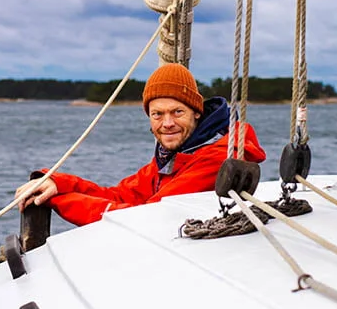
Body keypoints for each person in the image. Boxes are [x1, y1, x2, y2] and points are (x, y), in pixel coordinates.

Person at [14, 63, 266, 226]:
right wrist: (57, 182)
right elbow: (121, 195)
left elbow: (143, 218)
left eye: (177, 112)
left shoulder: (218, 158)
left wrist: (56, 200)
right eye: (157, 114)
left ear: (197, 112)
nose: (167, 123)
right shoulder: (173, 158)